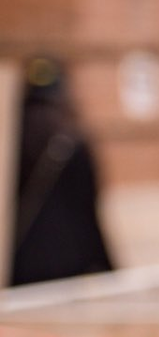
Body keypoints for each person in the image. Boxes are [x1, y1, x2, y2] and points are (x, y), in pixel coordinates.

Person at [11, 57, 113, 286]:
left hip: (20, 261)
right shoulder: (72, 138)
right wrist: (106, 265)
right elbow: (88, 210)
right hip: (69, 262)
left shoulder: (11, 141)